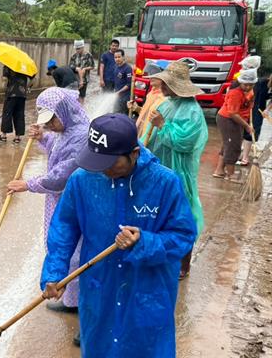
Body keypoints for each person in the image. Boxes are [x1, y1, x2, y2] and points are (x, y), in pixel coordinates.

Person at [41, 114, 197, 358]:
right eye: (97, 161)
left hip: (147, 291)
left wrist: (145, 241)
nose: (104, 170)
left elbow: (184, 235)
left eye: (111, 163)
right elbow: (63, 229)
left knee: (146, 349)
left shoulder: (165, 183)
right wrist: (54, 272)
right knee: (99, 347)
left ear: (134, 153)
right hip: (99, 287)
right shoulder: (82, 180)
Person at [6, 88, 89, 328]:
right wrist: (43, 136)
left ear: (64, 111)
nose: (50, 125)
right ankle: (72, 302)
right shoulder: (67, 130)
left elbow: (61, 175)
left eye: (51, 120)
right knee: (63, 247)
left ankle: (85, 314)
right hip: (60, 200)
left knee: (75, 253)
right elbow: (57, 144)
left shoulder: (82, 135)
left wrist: (28, 184)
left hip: (73, 201)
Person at [142, 61, 208, 279]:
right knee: (157, 213)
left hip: (179, 169)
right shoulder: (168, 104)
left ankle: (184, 264)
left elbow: (185, 142)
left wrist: (163, 125)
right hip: (160, 166)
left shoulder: (193, 111)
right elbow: (149, 135)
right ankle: (161, 255)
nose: (161, 85)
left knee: (182, 215)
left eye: (166, 82)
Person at [213, 68, 256, 183]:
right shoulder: (235, 93)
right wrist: (247, 126)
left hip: (237, 120)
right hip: (228, 119)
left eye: (250, 85)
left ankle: (219, 171)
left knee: (228, 144)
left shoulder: (250, 92)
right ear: (240, 82)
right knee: (233, 147)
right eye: (245, 85)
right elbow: (233, 113)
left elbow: (248, 105)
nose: (247, 87)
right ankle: (230, 175)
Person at [129, 60, 168, 137]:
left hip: (153, 137)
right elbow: (147, 114)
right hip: (144, 135)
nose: (151, 76)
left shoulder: (165, 98)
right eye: (151, 73)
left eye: (155, 74)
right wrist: (136, 108)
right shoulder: (151, 93)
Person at [0, 65, 29, 144]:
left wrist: (3, 87)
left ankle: (4, 135)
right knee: (20, 114)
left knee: (7, 113)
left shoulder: (8, 65)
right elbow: (34, 79)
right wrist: (28, 88)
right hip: (22, 94)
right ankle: (17, 137)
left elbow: (5, 79)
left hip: (11, 94)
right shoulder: (25, 66)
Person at [113, 49, 133, 113]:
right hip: (117, 95)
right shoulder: (116, 66)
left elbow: (129, 84)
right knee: (115, 113)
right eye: (115, 57)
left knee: (122, 115)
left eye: (119, 57)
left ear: (123, 57)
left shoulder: (128, 68)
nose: (117, 59)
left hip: (125, 97)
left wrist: (119, 92)